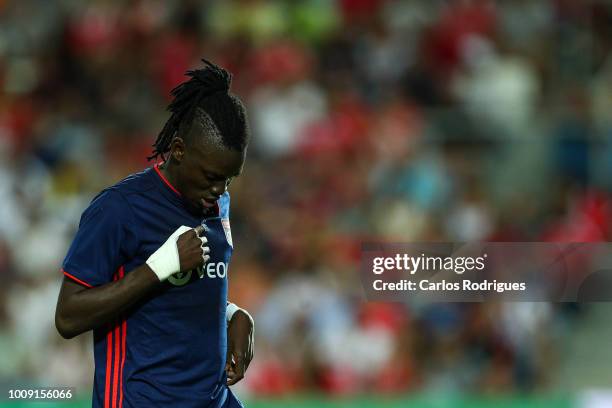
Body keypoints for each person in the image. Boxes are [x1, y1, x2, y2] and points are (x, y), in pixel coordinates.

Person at [55, 60, 254, 408]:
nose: (219, 188)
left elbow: (183, 293)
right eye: (211, 176)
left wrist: (233, 314)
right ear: (178, 150)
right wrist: (156, 270)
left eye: (229, 178)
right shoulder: (119, 209)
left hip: (213, 399)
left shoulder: (216, 201)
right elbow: (68, 316)